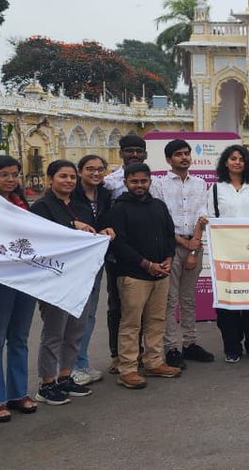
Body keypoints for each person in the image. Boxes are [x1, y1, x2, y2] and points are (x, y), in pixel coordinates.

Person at [28, 160, 106, 405]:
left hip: (79, 277)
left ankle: (65, 376)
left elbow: (89, 233)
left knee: (75, 329)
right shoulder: (42, 206)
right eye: (63, 176)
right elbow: (40, 236)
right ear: (51, 179)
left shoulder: (79, 204)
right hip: (54, 278)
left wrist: (102, 233)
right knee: (54, 332)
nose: (69, 181)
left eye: (72, 177)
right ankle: (46, 383)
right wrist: (72, 225)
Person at [104, 163, 182, 389]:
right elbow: (119, 243)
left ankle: (153, 362)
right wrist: (146, 264)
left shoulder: (158, 205)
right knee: (131, 324)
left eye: (143, 181)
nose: (139, 186)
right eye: (134, 181)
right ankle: (127, 369)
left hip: (161, 274)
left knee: (156, 321)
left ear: (150, 182)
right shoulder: (119, 208)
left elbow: (169, 234)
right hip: (133, 276)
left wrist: (168, 257)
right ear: (126, 182)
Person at [0, 156, 36, 423]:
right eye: (4, 175)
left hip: (24, 275)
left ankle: (18, 392)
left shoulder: (21, 203)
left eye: (15, 175)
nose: (11, 180)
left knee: (20, 337)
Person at [149, 139, 214, 369]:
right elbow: (160, 218)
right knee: (170, 300)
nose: (184, 157)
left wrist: (194, 245)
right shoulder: (158, 185)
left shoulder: (200, 184)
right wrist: (182, 242)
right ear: (169, 159)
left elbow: (203, 214)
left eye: (187, 153)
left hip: (194, 244)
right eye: (179, 154)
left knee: (188, 299)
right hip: (169, 247)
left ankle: (190, 344)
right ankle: (171, 348)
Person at [209, 145, 249, 363]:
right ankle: (232, 347)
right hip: (226, 255)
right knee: (228, 304)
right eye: (233, 158)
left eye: (241, 159)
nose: (237, 162)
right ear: (226, 162)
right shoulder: (216, 189)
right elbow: (210, 220)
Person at [101, 134, 147, 375]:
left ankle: (140, 352)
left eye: (139, 150)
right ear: (121, 154)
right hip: (117, 253)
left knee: (142, 306)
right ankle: (117, 355)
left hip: (145, 252)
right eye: (130, 151)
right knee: (118, 304)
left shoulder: (150, 179)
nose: (135, 154)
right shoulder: (109, 183)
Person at [71, 154, 113, 386]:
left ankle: (82, 361)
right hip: (75, 262)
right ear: (80, 171)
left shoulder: (105, 195)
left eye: (100, 169)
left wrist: (108, 228)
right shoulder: (70, 195)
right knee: (74, 314)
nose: (95, 173)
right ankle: (69, 366)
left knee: (89, 314)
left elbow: (108, 220)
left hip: (96, 260)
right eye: (90, 169)